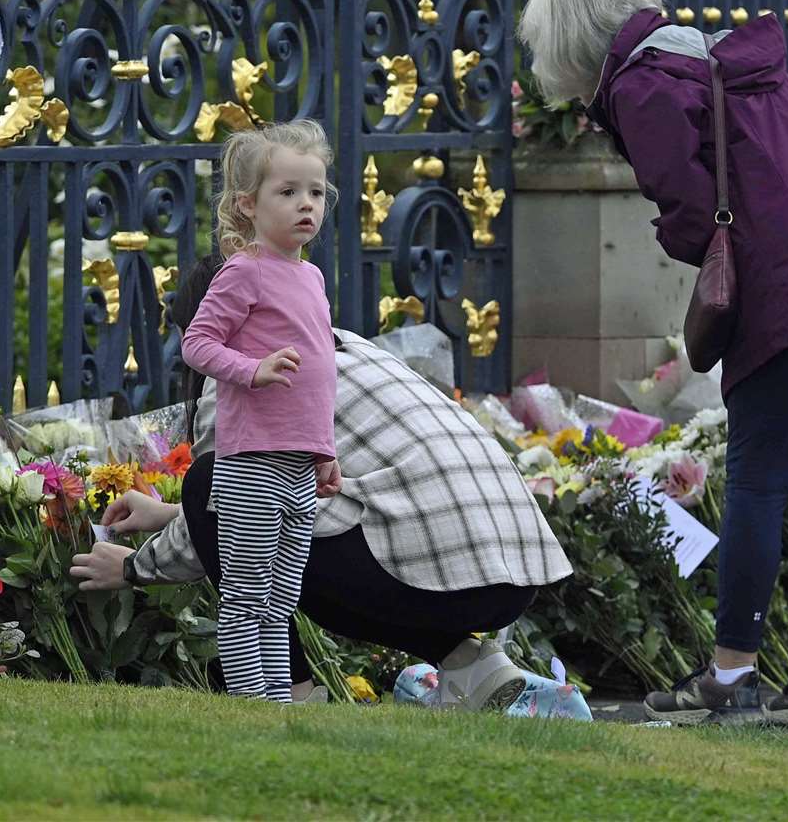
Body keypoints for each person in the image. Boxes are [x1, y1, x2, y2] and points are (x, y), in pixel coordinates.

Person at [518, 0, 788, 729]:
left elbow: (686, 208)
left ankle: (731, 674)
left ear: (573, 43)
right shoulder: (719, 56)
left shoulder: (644, 87)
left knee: (757, 480)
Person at [70, 252, 572, 710]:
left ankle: (288, 694)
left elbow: (229, 505)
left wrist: (134, 566)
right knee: (283, 528)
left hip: (441, 574)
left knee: (210, 487)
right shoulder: (351, 347)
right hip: (516, 570)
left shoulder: (247, 383)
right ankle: (472, 664)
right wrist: (169, 515)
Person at [178, 121, 340, 702]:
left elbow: (320, 377)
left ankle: (276, 702)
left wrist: (324, 451)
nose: (306, 205)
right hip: (252, 464)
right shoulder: (245, 270)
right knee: (248, 598)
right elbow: (196, 343)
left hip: (299, 466)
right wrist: (254, 369)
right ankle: (254, 702)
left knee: (282, 599)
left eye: (316, 193)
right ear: (248, 205)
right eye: (288, 192)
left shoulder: (312, 277)